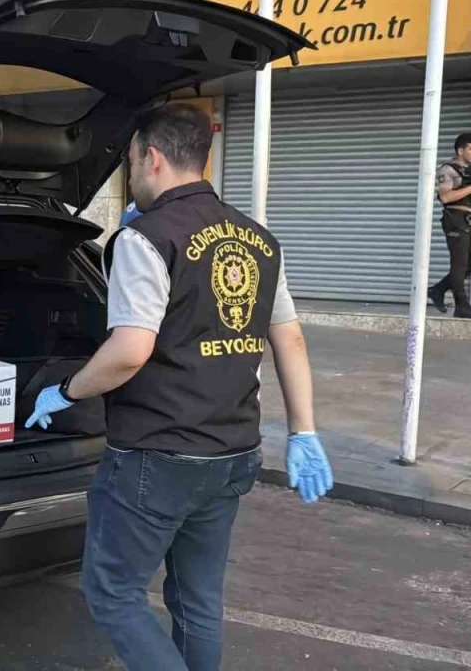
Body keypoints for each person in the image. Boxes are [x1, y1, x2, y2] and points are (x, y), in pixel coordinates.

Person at [24, 104, 333, 671]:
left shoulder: (145, 238)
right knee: (198, 600)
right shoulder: (260, 240)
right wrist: (303, 432)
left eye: (130, 161)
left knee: (113, 594)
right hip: (233, 451)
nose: (130, 176)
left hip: (159, 454)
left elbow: (129, 351)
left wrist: (66, 391)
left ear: (152, 157)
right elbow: (289, 339)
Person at [428, 133, 471, 320]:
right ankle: (461, 306)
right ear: (460, 150)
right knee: (460, 263)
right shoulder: (448, 170)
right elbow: (445, 197)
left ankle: (438, 289)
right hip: (455, 220)